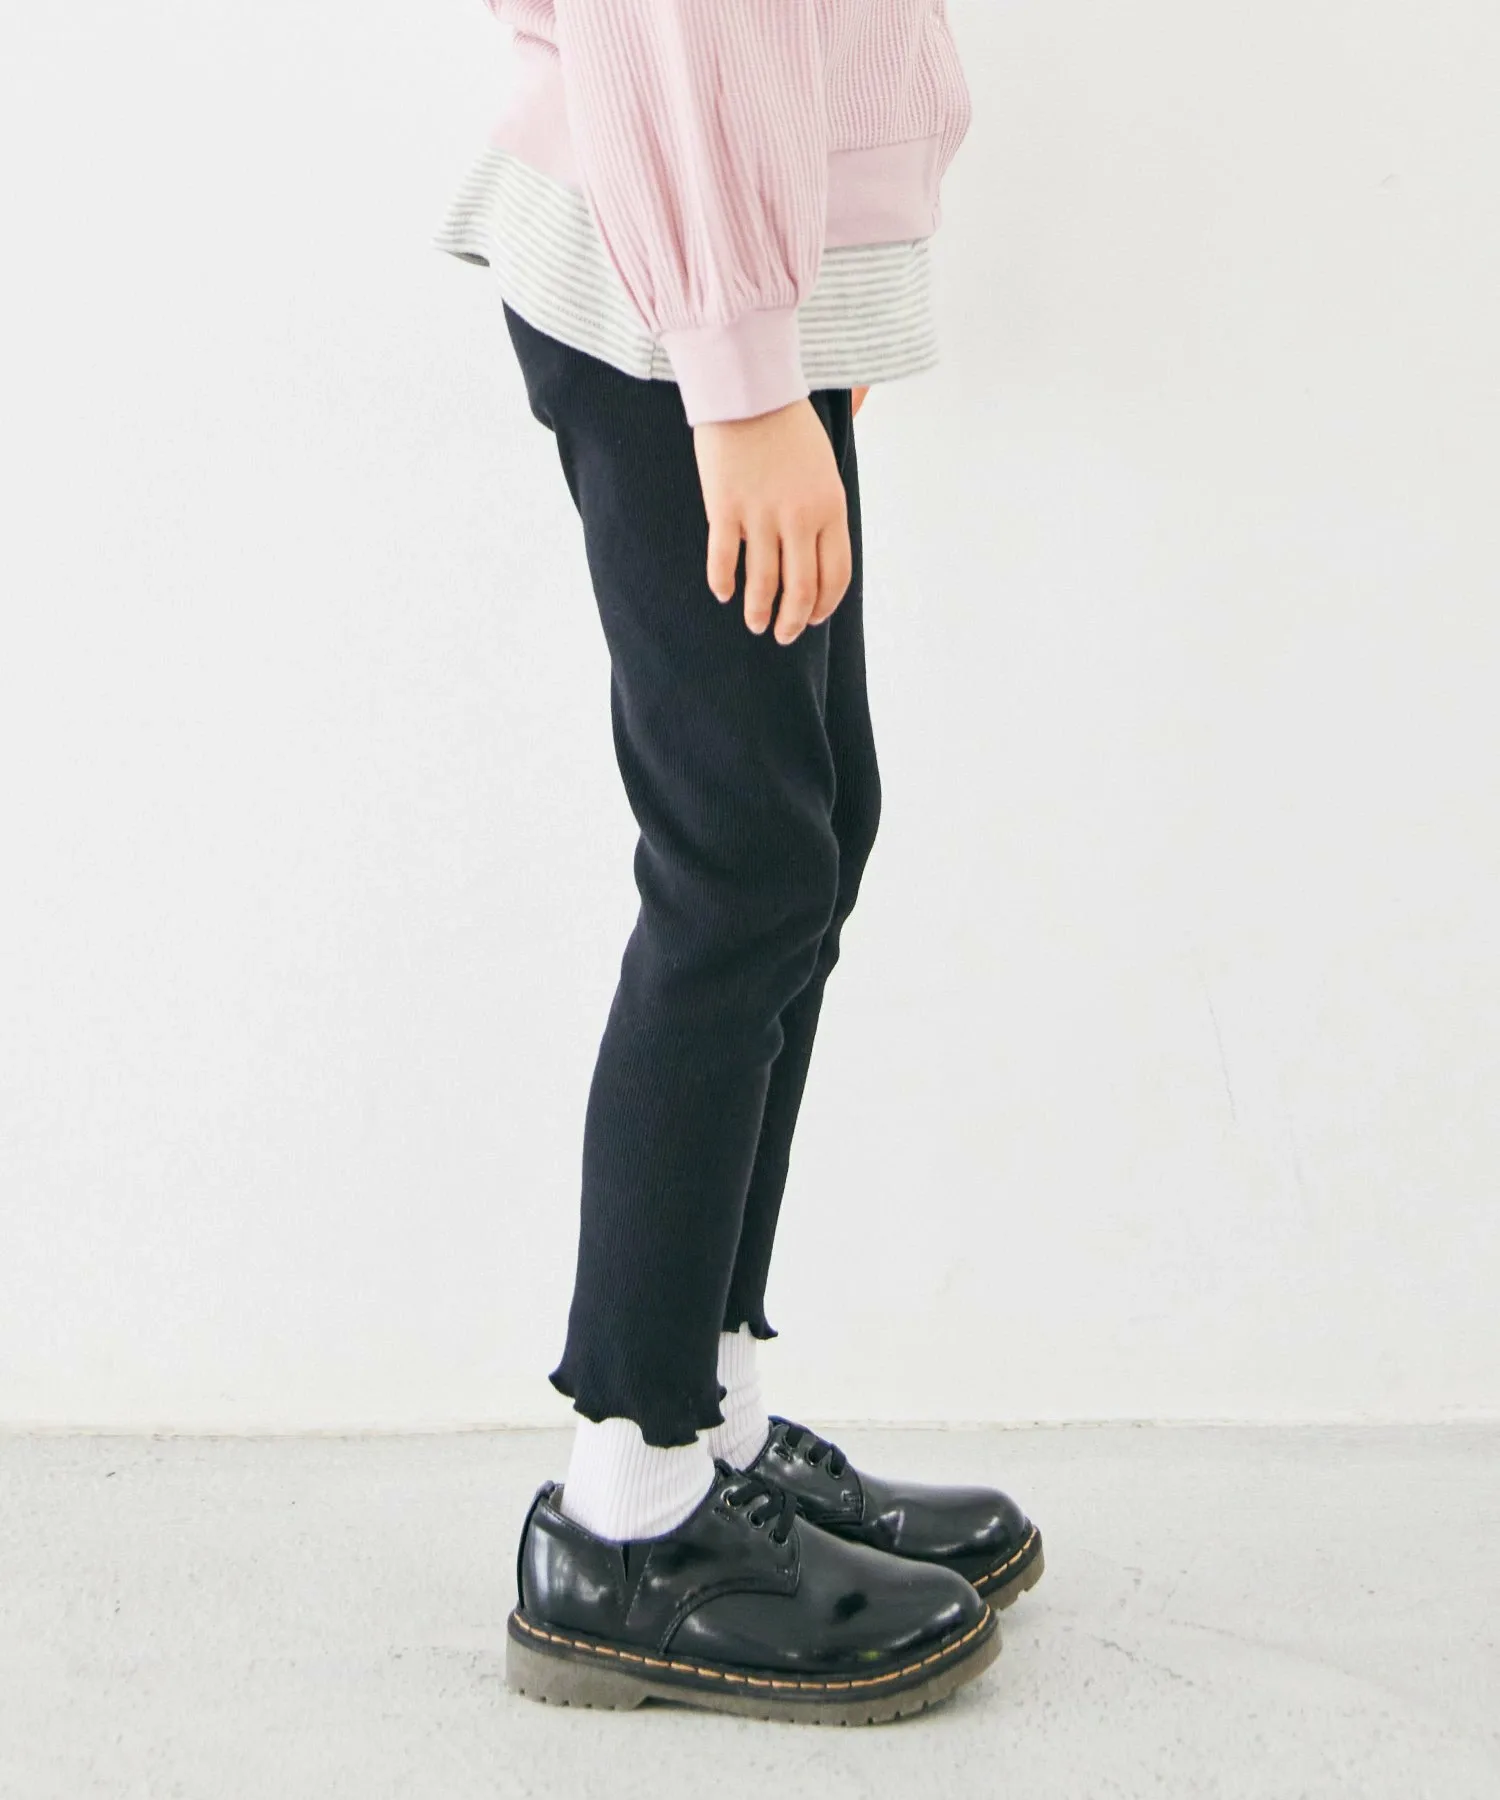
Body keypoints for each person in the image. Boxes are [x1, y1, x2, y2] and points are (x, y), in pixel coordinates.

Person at [434, 0, 1043, 1723]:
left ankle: (711, 1427)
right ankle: (626, 1512)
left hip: (740, 293)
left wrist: (803, 315)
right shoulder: (707, 313)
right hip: (671, 297)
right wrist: (742, 367)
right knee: (740, 870)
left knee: (806, 839)